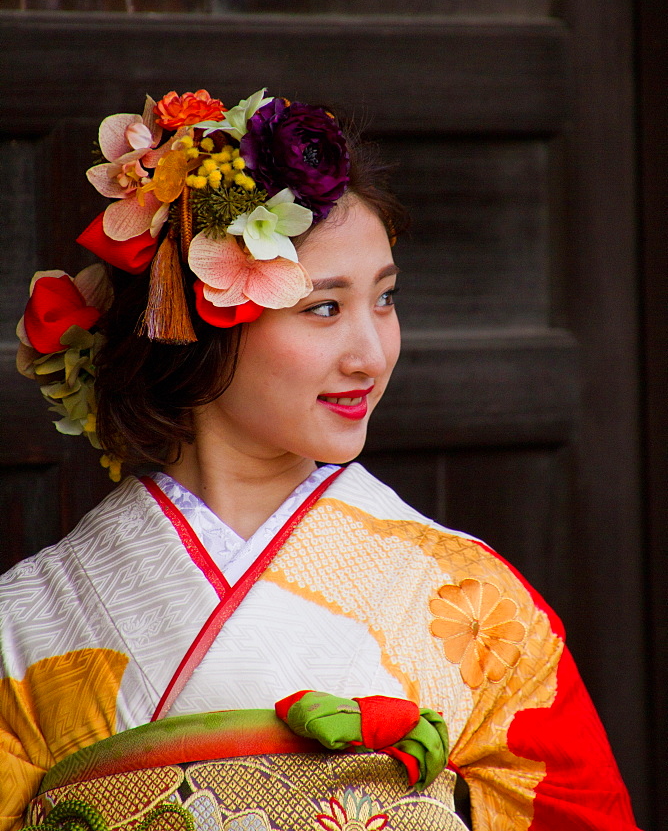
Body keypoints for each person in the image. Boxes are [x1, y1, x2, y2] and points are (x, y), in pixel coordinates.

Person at [1, 88, 639, 831]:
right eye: (325, 308)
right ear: (198, 323)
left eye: (386, 300)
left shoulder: (478, 606)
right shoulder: (26, 625)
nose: (372, 355)